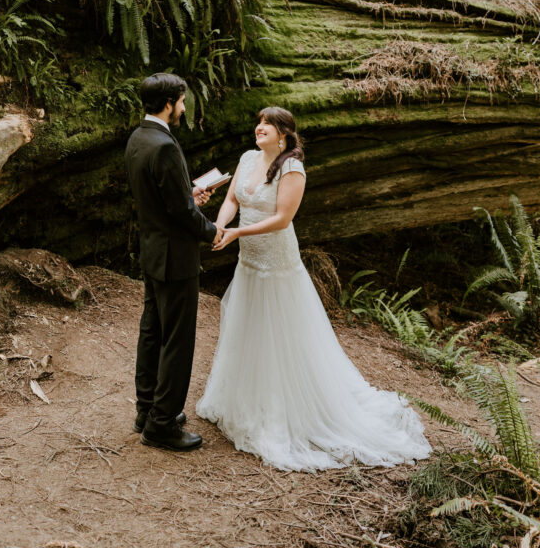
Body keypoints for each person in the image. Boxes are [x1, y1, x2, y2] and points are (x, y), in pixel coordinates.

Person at [196, 106, 432, 472]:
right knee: (249, 326)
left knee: (281, 332)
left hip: (276, 261)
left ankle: (284, 408)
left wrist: (238, 232)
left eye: (268, 124)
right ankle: (246, 399)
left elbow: (282, 218)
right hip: (248, 260)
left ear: (284, 135)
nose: (259, 128)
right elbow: (231, 200)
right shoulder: (246, 158)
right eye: (258, 121)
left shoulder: (292, 168)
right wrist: (220, 227)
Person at [125, 72, 223, 452]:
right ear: (169, 103)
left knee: (152, 331)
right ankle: (161, 424)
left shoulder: (139, 137)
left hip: (152, 250)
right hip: (175, 256)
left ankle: (147, 408)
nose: (183, 107)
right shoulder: (165, 146)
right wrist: (211, 229)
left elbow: (158, 197)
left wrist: (187, 193)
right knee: (178, 340)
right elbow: (181, 212)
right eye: (182, 101)